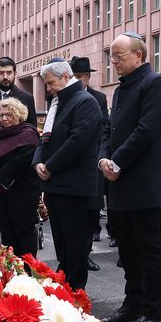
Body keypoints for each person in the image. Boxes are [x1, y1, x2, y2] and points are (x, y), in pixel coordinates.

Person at [98, 32, 161, 322]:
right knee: (127, 249)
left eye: (118, 56)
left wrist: (117, 162)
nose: (113, 62)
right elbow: (109, 130)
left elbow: (146, 130)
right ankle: (132, 302)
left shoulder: (155, 83)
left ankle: (152, 311)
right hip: (118, 182)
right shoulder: (120, 89)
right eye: (111, 57)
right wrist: (103, 158)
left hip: (141, 183)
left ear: (138, 56)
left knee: (148, 249)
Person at [33, 60, 102, 290]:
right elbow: (45, 137)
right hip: (57, 184)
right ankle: (64, 286)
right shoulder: (58, 102)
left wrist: (49, 166)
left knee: (75, 245)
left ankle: (75, 290)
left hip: (74, 186)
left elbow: (77, 141)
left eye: (51, 83)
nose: (49, 88)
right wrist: (37, 163)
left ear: (65, 77)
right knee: (62, 243)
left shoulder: (84, 102)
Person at [0, 97, 42, 255]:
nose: (4, 118)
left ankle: (28, 270)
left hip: (22, 192)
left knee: (24, 232)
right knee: (6, 233)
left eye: (9, 115)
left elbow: (23, 160)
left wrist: (0, 178)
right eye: (2, 115)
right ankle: (11, 270)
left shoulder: (28, 133)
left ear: (19, 115)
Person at [70, 55, 109, 267]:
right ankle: (75, 256)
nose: (76, 81)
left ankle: (85, 254)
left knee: (91, 210)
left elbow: (104, 127)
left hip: (92, 161)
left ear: (86, 77)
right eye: (72, 76)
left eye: (79, 76)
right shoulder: (62, 97)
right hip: (71, 161)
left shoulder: (98, 98)